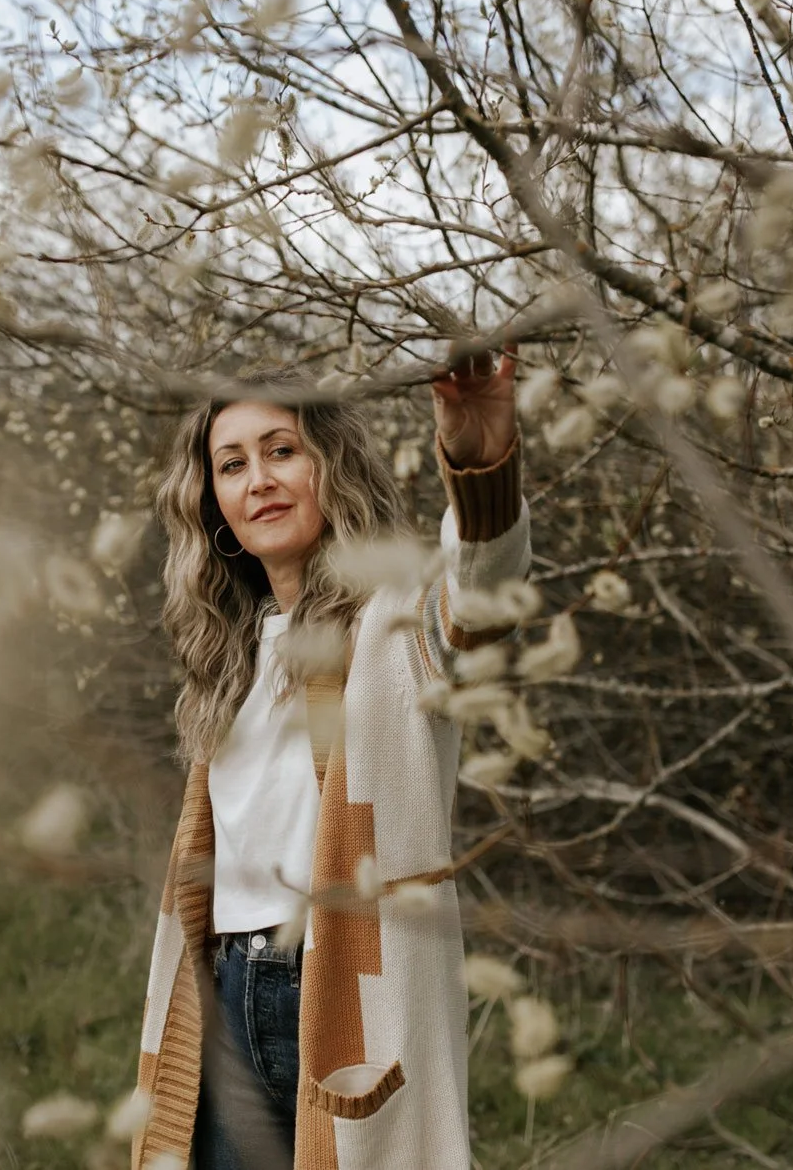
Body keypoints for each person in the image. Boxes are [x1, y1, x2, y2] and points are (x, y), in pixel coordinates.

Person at [129, 350, 531, 1170]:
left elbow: (481, 595)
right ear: (213, 502)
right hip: (226, 994)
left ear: (330, 463)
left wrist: (482, 469)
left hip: (338, 990)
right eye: (232, 464)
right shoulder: (229, 654)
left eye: (282, 450)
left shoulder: (393, 622)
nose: (259, 480)